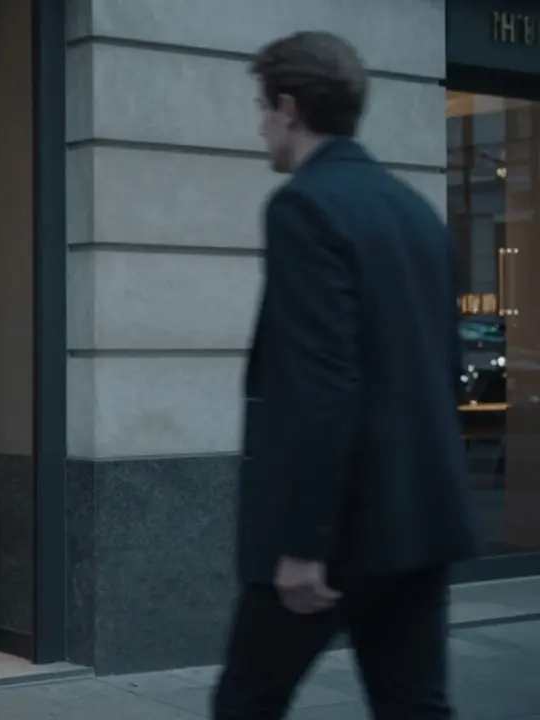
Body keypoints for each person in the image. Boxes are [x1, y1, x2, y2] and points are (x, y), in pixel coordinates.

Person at [212, 31, 481, 720]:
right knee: (416, 707)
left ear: (290, 108)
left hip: (333, 538)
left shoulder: (305, 207)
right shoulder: (416, 214)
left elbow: (319, 384)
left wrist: (304, 545)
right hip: (419, 525)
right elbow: (443, 371)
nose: (261, 125)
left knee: (247, 702)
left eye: (263, 107)